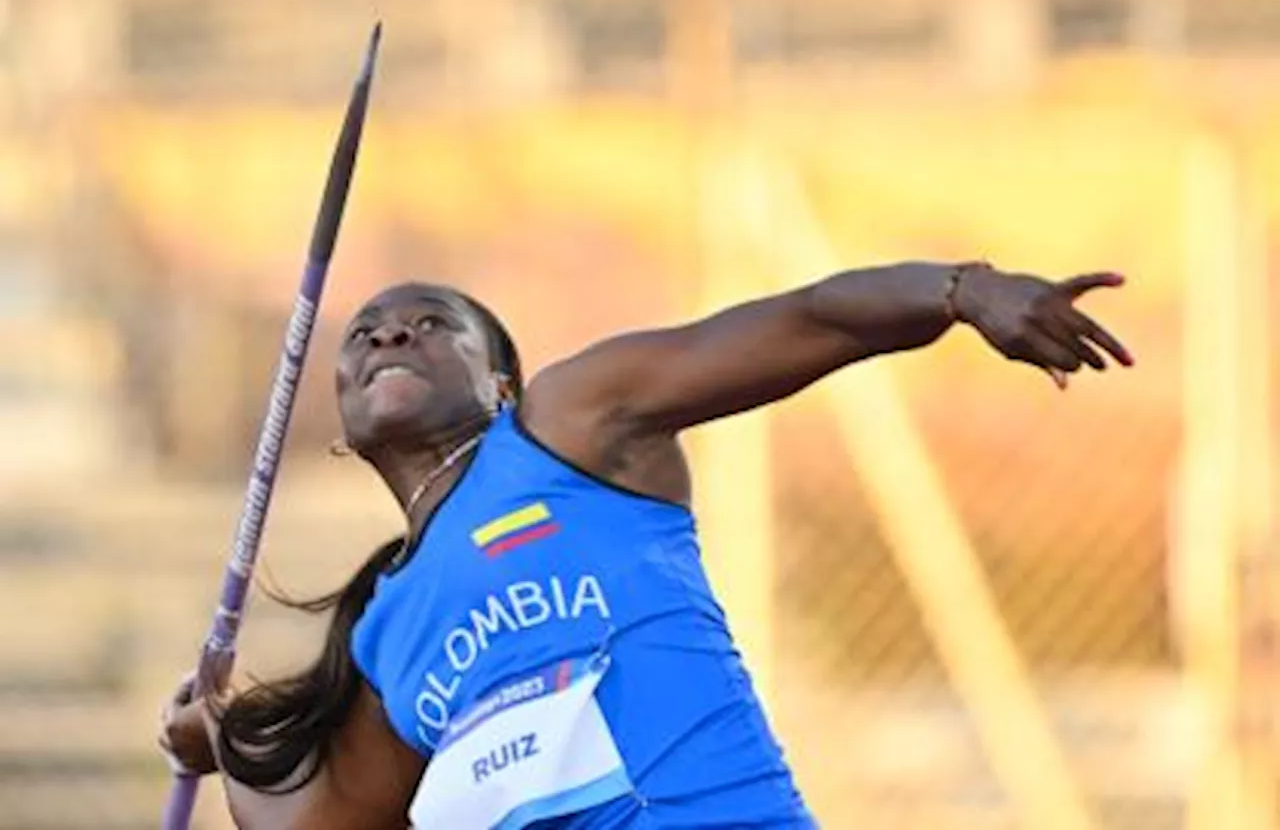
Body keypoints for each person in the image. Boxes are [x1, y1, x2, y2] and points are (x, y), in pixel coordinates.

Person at [159, 260, 1132, 829]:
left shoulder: (566, 430)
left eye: (429, 326)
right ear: (338, 415)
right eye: (364, 334)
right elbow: (326, 822)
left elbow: (799, 321)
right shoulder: (387, 631)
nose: (389, 337)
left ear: (500, 381)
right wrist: (223, 743)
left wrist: (960, 292)